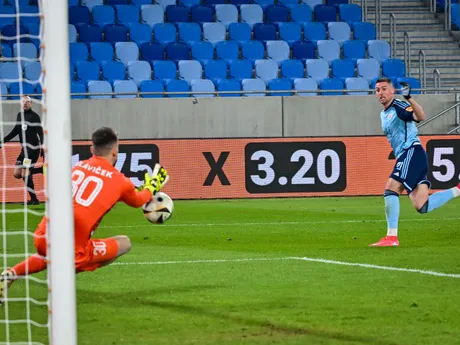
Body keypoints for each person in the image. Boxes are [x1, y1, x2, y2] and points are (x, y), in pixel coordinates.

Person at [0, 127, 169, 305]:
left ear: (91, 149)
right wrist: (152, 186)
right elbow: (138, 201)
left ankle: (10, 274)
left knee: (49, 254)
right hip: (72, 251)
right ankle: (65, 272)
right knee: (124, 243)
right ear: (115, 151)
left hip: (43, 235)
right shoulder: (120, 181)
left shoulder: (78, 166)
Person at [370, 78, 460, 247]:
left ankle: (391, 237)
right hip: (411, 155)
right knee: (422, 205)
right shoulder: (384, 113)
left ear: (392, 91)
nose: (380, 93)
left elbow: (420, 116)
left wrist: (409, 97)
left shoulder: (398, 106)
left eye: (383, 89)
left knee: (391, 189)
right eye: (377, 90)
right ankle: (458, 189)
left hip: (411, 152)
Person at [0, 95, 44, 205]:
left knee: (25, 171)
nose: (25, 103)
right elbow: (15, 130)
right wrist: (3, 141)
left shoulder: (35, 117)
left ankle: (34, 199)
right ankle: (39, 170)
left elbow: (40, 133)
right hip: (24, 149)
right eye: (23, 101)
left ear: (31, 104)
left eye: (27, 102)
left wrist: (43, 148)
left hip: (33, 149)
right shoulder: (20, 115)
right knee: (17, 173)